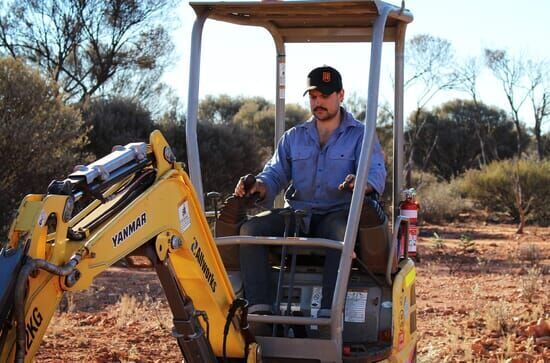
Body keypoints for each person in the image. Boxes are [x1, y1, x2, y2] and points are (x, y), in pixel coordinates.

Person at [234, 65, 386, 317]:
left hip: (335, 214)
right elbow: (273, 174)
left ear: (341, 95)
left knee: (341, 231)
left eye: (325, 96)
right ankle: (260, 312)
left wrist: (360, 183)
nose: (319, 102)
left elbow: (375, 173)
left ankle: (329, 314)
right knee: (251, 230)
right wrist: (257, 185)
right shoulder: (294, 137)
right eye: (314, 97)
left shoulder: (361, 135)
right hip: (297, 216)